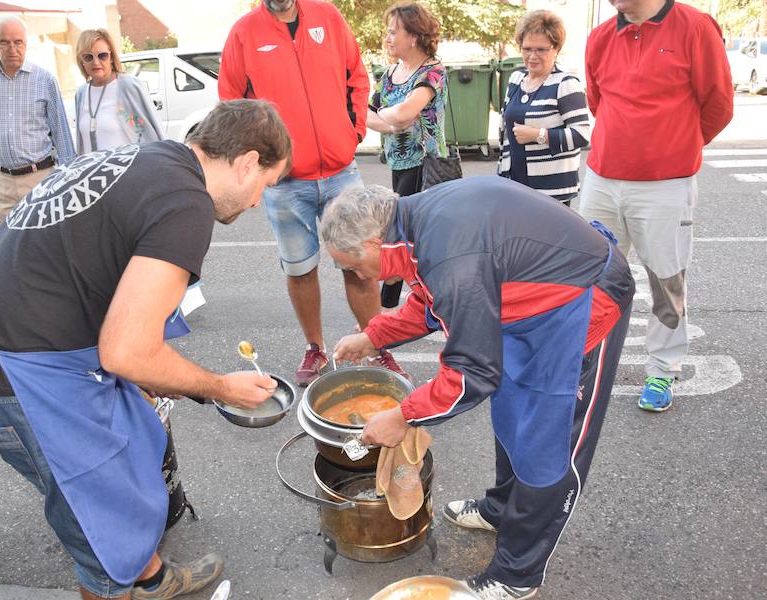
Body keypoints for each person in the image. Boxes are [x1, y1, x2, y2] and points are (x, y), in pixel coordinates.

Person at [0, 100, 292, 600]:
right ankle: (122, 582)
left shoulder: (153, 159)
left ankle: (150, 578)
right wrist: (218, 387)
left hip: (20, 349)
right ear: (247, 162)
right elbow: (127, 352)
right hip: (17, 382)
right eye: (264, 187)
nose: (256, 203)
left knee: (131, 467)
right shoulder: (187, 204)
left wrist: (168, 379)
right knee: (101, 538)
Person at [325, 180, 634, 600]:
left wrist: (402, 416)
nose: (357, 275)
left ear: (374, 241)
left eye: (354, 264)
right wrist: (376, 335)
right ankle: (502, 509)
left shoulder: (451, 252)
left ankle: (518, 575)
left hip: (582, 300)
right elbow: (436, 297)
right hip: (526, 302)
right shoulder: (415, 222)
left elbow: (471, 374)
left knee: (548, 442)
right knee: (511, 412)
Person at [219, 0, 408, 386]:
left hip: (341, 170)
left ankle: (376, 343)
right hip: (287, 180)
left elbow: (356, 76)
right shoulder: (244, 32)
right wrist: (265, 159)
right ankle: (316, 348)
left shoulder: (328, 16)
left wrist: (351, 132)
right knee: (300, 269)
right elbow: (231, 103)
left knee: (361, 265)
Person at [580, 0, 733, 411]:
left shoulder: (695, 27)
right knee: (587, 276)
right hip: (602, 180)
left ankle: (662, 371)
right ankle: (581, 361)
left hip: (666, 186)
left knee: (667, 281)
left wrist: (673, 148)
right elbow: (598, 101)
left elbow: (718, 104)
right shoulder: (599, 37)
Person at [368, 2, 447, 310]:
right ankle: (397, 307)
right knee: (401, 233)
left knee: (402, 233)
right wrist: (391, 121)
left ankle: (390, 309)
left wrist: (390, 119)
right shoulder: (389, 75)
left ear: (413, 36)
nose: (387, 38)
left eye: (393, 32)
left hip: (427, 166)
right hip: (398, 163)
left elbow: (406, 113)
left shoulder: (433, 71)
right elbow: (368, 114)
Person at [0, 15, 76, 223]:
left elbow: (61, 132)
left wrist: (69, 178)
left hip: (40, 179)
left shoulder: (44, 79)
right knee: (10, 248)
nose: (13, 49)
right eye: (4, 42)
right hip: (1, 181)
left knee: (45, 244)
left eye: (18, 42)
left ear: (26, 43)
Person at [497, 10, 590, 206]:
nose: (532, 56)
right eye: (527, 49)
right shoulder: (516, 78)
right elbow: (505, 133)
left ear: (556, 49)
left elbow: (581, 135)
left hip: (551, 192)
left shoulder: (565, 84)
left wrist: (538, 135)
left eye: (541, 49)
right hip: (514, 186)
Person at [73, 28, 165, 154]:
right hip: (95, 172)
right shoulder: (81, 94)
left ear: (111, 57)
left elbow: (153, 130)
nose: (96, 62)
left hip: (129, 170)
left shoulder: (128, 86)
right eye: (88, 57)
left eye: (102, 55)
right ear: (81, 61)